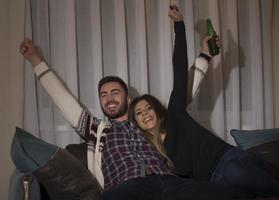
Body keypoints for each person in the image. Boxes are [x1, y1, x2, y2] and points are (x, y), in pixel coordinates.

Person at [19, 5, 252, 200]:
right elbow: (64, 100)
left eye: (115, 92)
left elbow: (184, 90)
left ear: (128, 99)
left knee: (237, 194)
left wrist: (206, 55)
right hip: (128, 187)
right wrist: (35, 60)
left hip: (171, 183)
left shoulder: (149, 121)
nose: (109, 98)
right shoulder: (97, 130)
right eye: (104, 95)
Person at [128, 5, 279, 198]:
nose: (145, 114)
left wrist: (179, 26)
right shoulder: (150, 151)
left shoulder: (175, 115)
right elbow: (145, 181)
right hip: (215, 182)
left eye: (148, 108)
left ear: (157, 110)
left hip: (229, 159)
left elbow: (180, 70)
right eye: (139, 113)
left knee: (236, 172)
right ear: (136, 123)